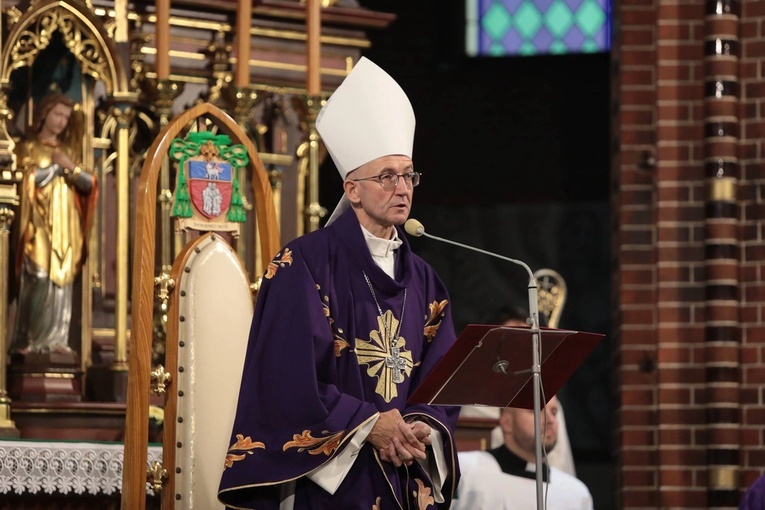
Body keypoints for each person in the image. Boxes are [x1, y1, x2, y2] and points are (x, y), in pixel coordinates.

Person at [218, 57, 460, 509]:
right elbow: (285, 378)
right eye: (387, 176)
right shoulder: (304, 264)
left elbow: (442, 377)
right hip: (333, 482)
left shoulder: (426, 281)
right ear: (353, 190)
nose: (403, 188)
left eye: (409, 175)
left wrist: (424, 424)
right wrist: (370, 426)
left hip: (406, 472)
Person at [10, 92, 97, 354]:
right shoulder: (27, 147)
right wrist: (55, 169)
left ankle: (56, 339)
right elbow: (25, 179)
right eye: (58, 114)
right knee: (38, 275)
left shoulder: (68, 151)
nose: (61, 121)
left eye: (66, 117)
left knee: (62, 280)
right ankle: (29, 340)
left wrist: (71, 167)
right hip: (37, 225)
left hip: (65, 227)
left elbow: (89, 183)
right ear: (44, 113)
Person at [458, 307, 577, 476]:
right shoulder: (472, 401)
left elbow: (561, 466)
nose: (520, 348)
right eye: (512, 340)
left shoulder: (547, 401)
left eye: (528, 341)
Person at [452, 395, 593, 510]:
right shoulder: (465, 471)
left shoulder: (576, 493)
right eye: (536, 411)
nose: (550, 420)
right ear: (507, 422)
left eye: (554, 412)